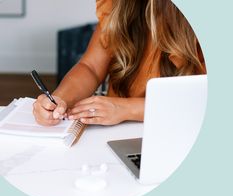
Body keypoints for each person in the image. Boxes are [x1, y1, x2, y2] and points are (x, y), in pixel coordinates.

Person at [33, 0, 206, 126]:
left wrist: (126, 109)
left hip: (179, 130)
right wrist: (60, 99)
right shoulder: (118, 6)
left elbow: (204, 101)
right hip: (115, 131)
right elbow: (90, 67)